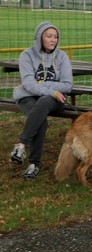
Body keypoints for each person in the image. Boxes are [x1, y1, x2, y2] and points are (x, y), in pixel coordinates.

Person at [10, 22, 73, 179]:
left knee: (44, 102)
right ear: (39, 37)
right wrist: (52, 90)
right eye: (49, 36)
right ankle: (34, 164)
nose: (53, 40)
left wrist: (42, 85)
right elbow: (29, 85)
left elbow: (67, 85)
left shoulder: (62, 56)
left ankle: (21, 144)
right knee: (41, 121)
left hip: (54, 99)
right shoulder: (26, 55)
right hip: (28, 96)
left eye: (56, 37)